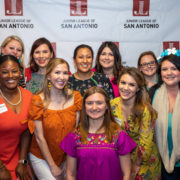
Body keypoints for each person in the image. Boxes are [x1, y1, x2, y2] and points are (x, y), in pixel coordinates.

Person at [60, 86, 136, 180]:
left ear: (107, 106)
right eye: (89, 103)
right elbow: (70, 174)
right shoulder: (75, 136)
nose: (94, 107)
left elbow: (127, 175)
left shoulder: (119, 135)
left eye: (99, 103)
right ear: (84, 106)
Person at [28, 58, 82, 180]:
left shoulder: (76, 98)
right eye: (57, 72)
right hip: (42, 157)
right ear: (48, 76)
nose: (61, 77)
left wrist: (69, 161)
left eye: (65, 73)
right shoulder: (38, 101)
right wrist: (52, 166)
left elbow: (75, 133)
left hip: (66, 156)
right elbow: (39, 137)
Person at [111, 67, 161, 179]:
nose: (125, 88)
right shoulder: (113, 105)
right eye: (123, 83)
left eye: (131, 85)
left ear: (138, 88)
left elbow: (145, 145)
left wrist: (135, 166)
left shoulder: (145, 110)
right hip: (123, 157)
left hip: (144, 160)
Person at [149, 48, 180, 179]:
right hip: (160, 162)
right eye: (165, 69)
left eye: (174, 68)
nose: (169, 73)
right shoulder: (153, 93)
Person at [0, 55, 33, 180]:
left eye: (14, 71)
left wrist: (22, 162)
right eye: (4, 72)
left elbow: (26, 130)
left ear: (20, 72)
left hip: (15, 157)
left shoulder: (28, 96)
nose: (10, 75)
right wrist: (1, 168)